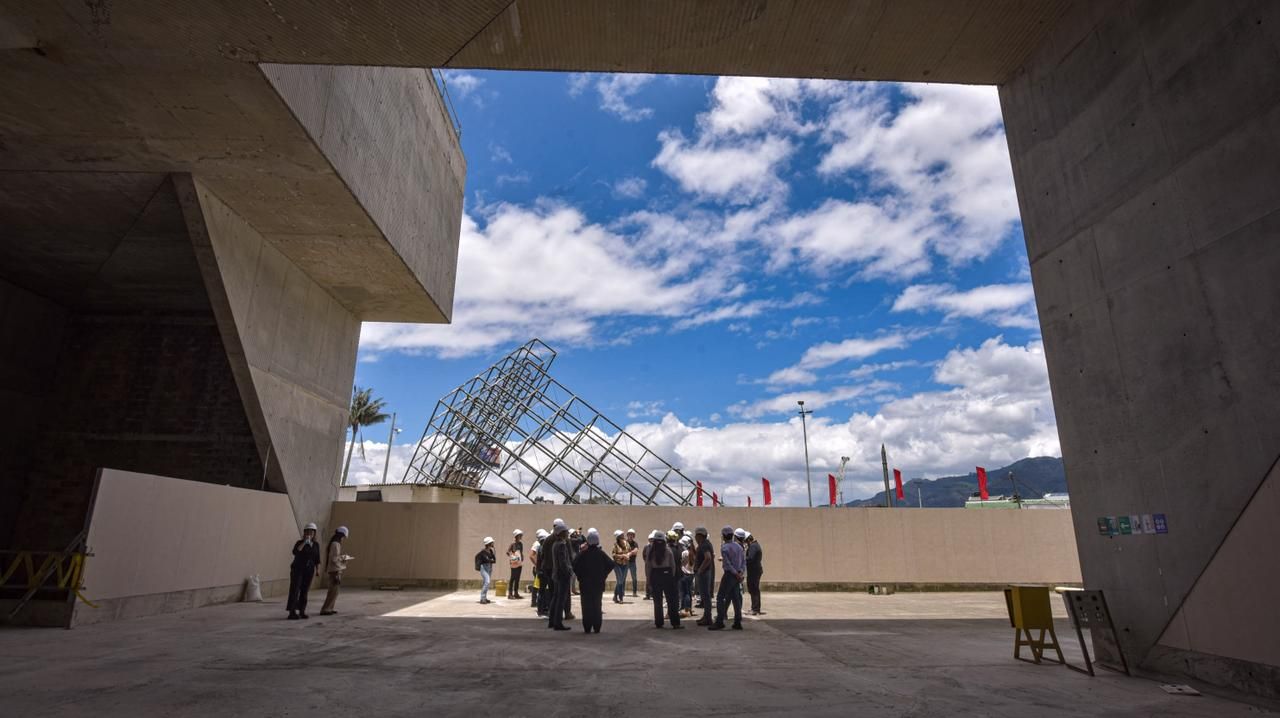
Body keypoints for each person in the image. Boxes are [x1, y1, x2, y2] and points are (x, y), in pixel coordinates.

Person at [572, 528, 615, 634]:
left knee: (586, 606)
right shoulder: (601, 554)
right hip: (598, 584)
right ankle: (597, 627)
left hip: (585, 584)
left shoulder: (583, 554)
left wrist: (580, 576)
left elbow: (574, 565)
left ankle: (587, 627)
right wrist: (603, 575)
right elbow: (611, 564)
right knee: (597, 605)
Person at [710, 525, 744, 630]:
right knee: (736, 598)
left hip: (730, 574)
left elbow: (728, 564)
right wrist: (740, 573)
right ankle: (737, 621)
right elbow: (743, 562)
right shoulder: (739, 547)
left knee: (720, 597)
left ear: (724, 536)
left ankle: (720, 621)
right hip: (737, 574)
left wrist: (735, 573)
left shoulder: (724, 548)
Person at [645, 531, 683, 629]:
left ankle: (659, 622)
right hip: (667, 575)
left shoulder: (650, 552)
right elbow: (673, 566)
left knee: (657, 601)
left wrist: (648, 580)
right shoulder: (668, 550)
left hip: (655, 575)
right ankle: (675, 623)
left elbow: (648, 567)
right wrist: (672, 577)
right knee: (671, 600)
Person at [287, 522, 322, 620]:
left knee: (304, 590)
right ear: (304, 533)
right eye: (308, 532)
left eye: (312, 532)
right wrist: (304, 542)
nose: (309, 534)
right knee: (295, 589)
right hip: (298, 569)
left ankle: (302, 611)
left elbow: (317, 559)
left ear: (315, 533)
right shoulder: (299, 543)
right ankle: (292, 612)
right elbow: (295, 552)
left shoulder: (316, 545)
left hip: (309, 570)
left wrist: (317, 570)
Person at [319, 526, 351, 616]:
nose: (344, 538)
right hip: (335, 570)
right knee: (333, 591)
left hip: (335, 569)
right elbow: (334, 558)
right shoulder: (335, 544)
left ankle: (330, 608)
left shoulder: (335, 543)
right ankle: (326, 609)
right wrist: (343, 558)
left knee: (335, 591)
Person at [547, 524, 573, 630]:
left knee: (555, 598)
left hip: (556, 575)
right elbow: (563, 562)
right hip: (562, 576)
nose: (567, 533)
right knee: (561, 600)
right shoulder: (562, 545)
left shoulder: (555, 544)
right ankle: (558, 623)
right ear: (562, 533)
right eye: (566, 531)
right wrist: (569, 572)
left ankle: (552, 621)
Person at [693, 526, 716, 626]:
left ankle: (708, 618)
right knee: (704, 596)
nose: (695, 537)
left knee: (705, 596)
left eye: (696, 535)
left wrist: (700, 570)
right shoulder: (704, 544)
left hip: (704, 574)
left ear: (699, 535)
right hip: (705, 573)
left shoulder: (704, 545)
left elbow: (708, 558)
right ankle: (706, 617)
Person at [745, 530, 765, 615]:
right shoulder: (755, 545)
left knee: (754, 589)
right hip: (755, 570)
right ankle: (755, 608)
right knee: (754, 589)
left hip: (754, 571)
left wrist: (741, 560)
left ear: (748, 540)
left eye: (745, 541)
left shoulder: (753, 546)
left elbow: (750, 558)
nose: (745, 543)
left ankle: (755, 609)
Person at [476, 537, 497, 604]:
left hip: (489, 567)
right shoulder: (483, 552)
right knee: (487, 582)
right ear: (489, 543)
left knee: (486, 583)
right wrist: (490, 560)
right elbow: (487, 560)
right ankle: (482, 599)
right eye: (492, 542)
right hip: (484, 568)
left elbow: (494, 560)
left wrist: (491, 560)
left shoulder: (490, 551)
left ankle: (484, 598)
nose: (493, 543)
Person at [529, 528, 547, 608]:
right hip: (539, 568)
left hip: (540, 568)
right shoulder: (537, 544)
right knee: (537, 586)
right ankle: (534, 602)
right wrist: (538, 565)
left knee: (538, 585)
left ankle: (537, 602)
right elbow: (531, 555)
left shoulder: (541, 543)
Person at [611, 530, 630, 603]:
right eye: (621, 535)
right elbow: (613, 555)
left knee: (621, 581)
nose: (623, 536)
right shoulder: (616, 545)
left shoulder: (626, 543)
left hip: (625, 564)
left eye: (623, 535)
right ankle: (621, 597)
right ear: (618, 537)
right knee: (620, 581)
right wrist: (622, 556)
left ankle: (615, 596)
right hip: (617, 565)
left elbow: (629, 552)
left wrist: (628, 555)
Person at [679, 535, 695, 617]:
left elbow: (681, 563)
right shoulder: (692, 552)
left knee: (684, 593)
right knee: (689, 592)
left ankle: (685, 609)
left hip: (684, 574)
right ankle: (689, 609)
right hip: (691, 574)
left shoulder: (685, 553)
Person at [507, 529, 525, 600]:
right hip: (514, 563)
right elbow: (507, 552)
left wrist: (522, 557)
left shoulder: (521, 544)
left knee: (517, 578)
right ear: (516, 536)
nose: (521, 536)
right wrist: (513, 556)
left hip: (519, 562)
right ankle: (510, 594)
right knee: (513, 578)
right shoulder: (512, 544)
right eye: (520, 535)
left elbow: (521, 552)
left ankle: (516, 593)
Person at [625, 529, 640, 598]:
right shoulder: (624, 542)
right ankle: (622, 592)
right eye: (629, 534)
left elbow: (636, 551)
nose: (630, 536)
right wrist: (631, 552)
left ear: (633, 536)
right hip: (625, 562)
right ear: (627, 535)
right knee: (623, 577)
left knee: (634, 578)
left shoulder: (635, 543)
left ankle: (634, 592)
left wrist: (629, 553)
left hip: (632, 563)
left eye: (632, 535)